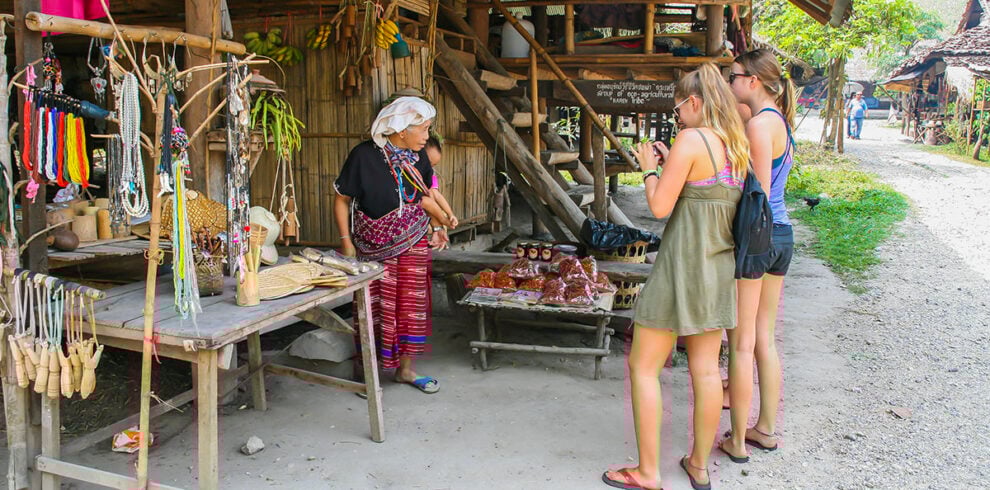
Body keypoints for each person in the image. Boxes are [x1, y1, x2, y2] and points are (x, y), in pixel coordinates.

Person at [602, 63, 748, 490]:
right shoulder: (735, 143)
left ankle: (648, 473)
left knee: (643, 366)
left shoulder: (690, 138)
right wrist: (673, 167)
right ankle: (699, 467)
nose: (677, 114)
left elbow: (661, 206)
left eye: (679, 105)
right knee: (704, 371)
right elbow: (705, 194)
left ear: (696, 102)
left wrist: (649, 167)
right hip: (717, 269)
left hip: (680, 267)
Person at [333, 96, 444, 394]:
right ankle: (366, 373)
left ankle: (405, 371)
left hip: (414, 239)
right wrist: (347, 242)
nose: (427, 137)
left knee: (411, 305)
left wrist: (437, 226)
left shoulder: (417, 157)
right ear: (401, 129)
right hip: (372, 244)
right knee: (372, 306)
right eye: (423, 129)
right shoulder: (364, 156)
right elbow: (342, 200)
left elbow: (424, 196)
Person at [722, 48, 797, 462]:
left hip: (760, 237)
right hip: (783, 236)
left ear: (752, 81)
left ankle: (736, 441)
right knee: (764, 338)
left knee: (741, 342)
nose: (730, 83)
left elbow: (759, 197)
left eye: (733, 76)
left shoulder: (759, 126)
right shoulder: (780, 122)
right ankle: (764, 428)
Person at [423, 135, 458, 229]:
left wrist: (451, 215)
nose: (430, 168)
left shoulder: (431, 175)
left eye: (433, 165)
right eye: (428, 163)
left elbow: (436, 195)